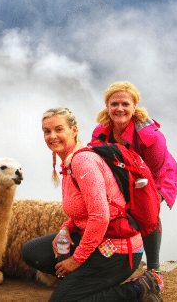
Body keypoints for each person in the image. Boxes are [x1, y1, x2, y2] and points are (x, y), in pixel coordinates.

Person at [22, 108, 163, 301]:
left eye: (58, 129)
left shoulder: (83, 162)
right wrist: (66, 228)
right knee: (32, 252)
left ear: (74, 130)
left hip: (117, 250)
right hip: (97, 240)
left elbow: (100, 216)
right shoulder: (69, 162)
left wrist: (76, 260)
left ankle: (139, 289)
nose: (52, 136)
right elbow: (83, 211)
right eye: (47, 131)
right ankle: (83, 283)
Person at [92, 81, 177, 272]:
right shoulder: (101, 132)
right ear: (107, 107)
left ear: (134, 107)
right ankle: (113, 260)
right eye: (114, 104)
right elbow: (96, 160)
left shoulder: (151, 137)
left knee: (148, 214)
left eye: (125, 104)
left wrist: (144, 199)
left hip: (157, 177)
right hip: (124, 174)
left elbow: (155, 170)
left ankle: (154, 269)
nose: (120, 108)